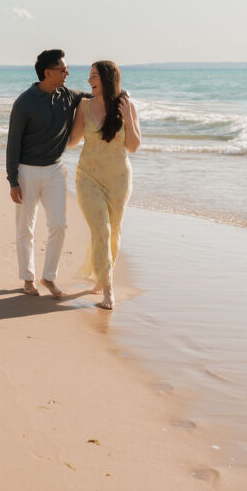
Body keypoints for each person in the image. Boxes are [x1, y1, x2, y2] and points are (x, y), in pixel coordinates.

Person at [6, 49, 86, 299]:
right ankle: (28, 278)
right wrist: (13, 180)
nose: (67, 73)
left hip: (55, 169)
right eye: (63, 69)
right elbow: (13, 142)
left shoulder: (68, 96)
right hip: (26, 171)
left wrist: (119, 95)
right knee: (25, 228)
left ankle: (48, 277)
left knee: (59, 225)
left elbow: (94, 97)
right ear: (48, 72)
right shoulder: (25, 102)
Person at [69, 60, 141, 310]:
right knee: (102, 230)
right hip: (88, 177)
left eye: (94, 76)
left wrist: (128, 118)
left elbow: (133, 146)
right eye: (89, 76)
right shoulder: (84, 106)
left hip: (119, 180)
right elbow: (72, 141)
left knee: (114, 232)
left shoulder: (127, 105)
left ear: (108, 79)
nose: (89, 81)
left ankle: (101, 274)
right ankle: (108, 290)